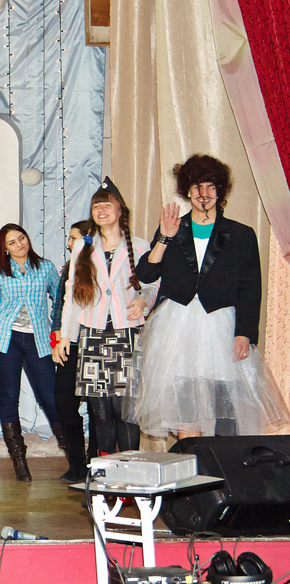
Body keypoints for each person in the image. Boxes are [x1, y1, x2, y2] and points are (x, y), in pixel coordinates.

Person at [132, 155, 286, 437]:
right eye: (197, 186)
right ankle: (191, 463)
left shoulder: (241, 234)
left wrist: (244, 333)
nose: (204, 193)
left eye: (210, 186)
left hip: (221, 323)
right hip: (178, 325)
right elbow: (146, 274)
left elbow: (250, 288)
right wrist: (164, 237)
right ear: (188, 191)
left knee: (225, 407)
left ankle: (224, 464)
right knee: (185, 406)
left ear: (220, 191)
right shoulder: (173, 228)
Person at [54, 179, 156, 468]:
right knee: (99, 411)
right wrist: (66, 335)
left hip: (127, 333)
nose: (101, 210)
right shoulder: (83, 247)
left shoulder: (139, 245)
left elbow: (153, 283)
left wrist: (143, 300)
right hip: (93, 334)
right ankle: (107, 472)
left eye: (107, 205)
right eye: (96, 205)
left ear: (120, 209)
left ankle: (131, 471)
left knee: (125, 410)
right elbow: (72, 294)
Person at [0, 223, 60, 482]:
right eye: (11, 243)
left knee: (50, 397)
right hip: (7, 340)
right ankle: (19, 462)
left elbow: (60, 300)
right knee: (8, 398)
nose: (19, 245)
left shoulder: (46, 267)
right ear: (4, 249)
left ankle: (73, 455)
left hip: (39, 339)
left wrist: (57, 332)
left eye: (21, 238)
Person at [51, 219, 97, 482]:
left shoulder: (97, 265)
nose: (69, 243)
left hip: (93, 342)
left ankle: (95, 461)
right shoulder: (69, 267)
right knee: (65, 403)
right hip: (70, 343)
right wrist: (58, 338)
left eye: (73, 237)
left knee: (97, 407)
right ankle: (77, 461)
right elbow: (60, 307)